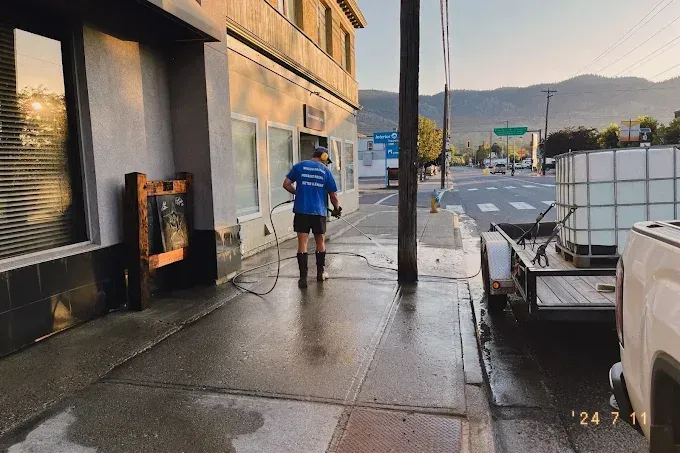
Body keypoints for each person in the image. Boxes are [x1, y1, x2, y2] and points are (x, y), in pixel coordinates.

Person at [283, 147, 342, 289]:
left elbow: (286, 184)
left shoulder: (299, 166)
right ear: (324, 157)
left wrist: (298, 193)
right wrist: (336, 209)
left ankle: (303, 278)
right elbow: (333, 195)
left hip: (301, 211)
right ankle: (320, 274)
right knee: (320, 241)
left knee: (302, 243)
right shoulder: (326, 171)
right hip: (319, 212)